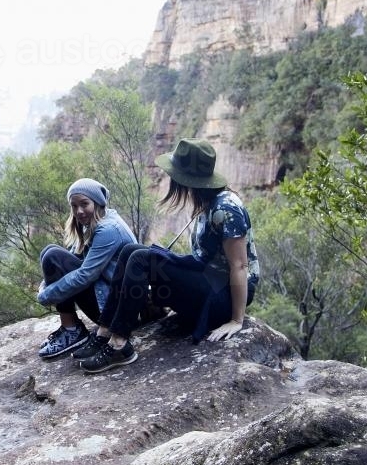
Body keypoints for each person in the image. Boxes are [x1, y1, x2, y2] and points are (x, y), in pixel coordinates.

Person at [74, 138, 260, 373]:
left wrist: (236, 320)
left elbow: (241, 266)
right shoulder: (207, 201)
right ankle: (105, 331)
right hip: (209, 282)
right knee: (132, 250)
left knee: (143, 259)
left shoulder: (226, 208)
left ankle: (120, 344)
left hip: (223, 297)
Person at [36, 178, 137, 358]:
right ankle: (70, 328)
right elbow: (74, 259)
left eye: (84, 204)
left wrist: (46, 295)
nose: (79, 211)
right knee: (49, 252)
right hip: (107, 300)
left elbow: (85, 275)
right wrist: (46, 285)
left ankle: (72, 330)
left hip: (114, 311)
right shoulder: (96, 221)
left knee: (53, 256)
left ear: (97, 202)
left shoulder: (108, 229)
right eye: (74, 206)